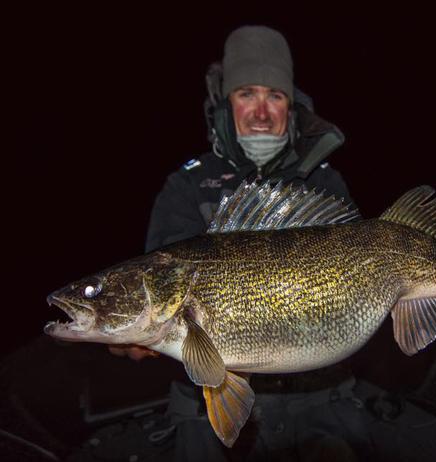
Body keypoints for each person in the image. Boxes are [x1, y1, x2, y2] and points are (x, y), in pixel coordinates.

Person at [107, 25, 376, 461]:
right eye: (246, 93)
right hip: (204, 396)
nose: (261, 111)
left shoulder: (326, 183)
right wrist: (127, 332)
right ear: (224, 102)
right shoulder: (186, 186)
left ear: (292, 105)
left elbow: (362, 274)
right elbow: (159, 293)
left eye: (276, 95)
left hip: (317, 391)